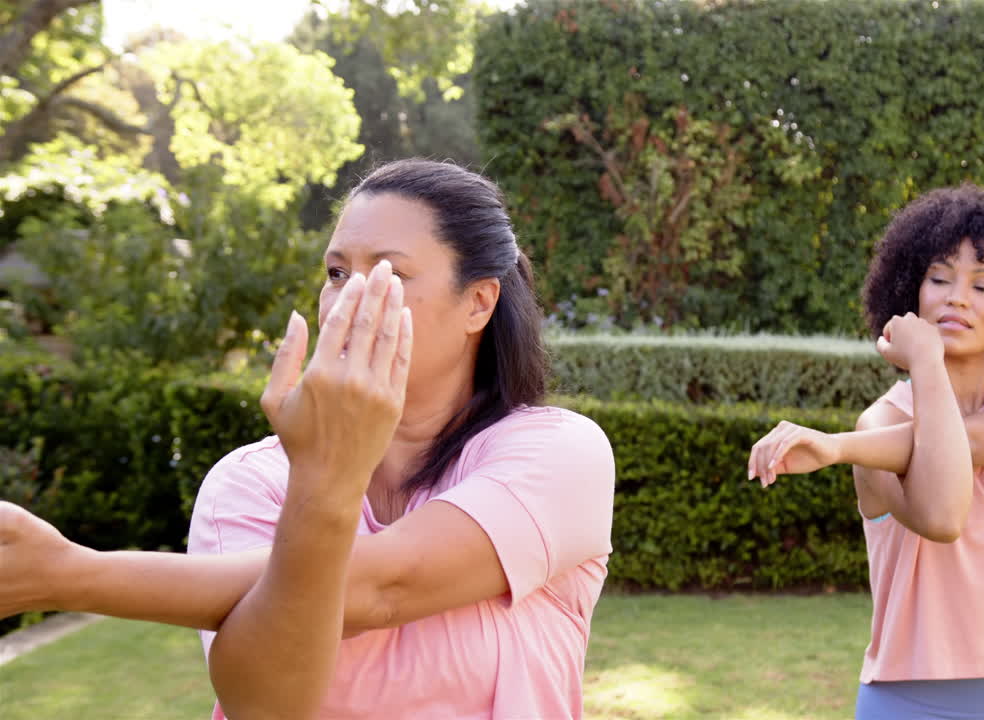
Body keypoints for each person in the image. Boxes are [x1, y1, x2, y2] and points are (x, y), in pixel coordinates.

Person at [0, 159, 616, 720]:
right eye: (336, 271)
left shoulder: (559, 454)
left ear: (478, 303)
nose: (348, 297)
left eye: (388, 274)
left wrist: (75, 575)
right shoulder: (248, 482)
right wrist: (324, 477)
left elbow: (382, 587)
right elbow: (265, 704)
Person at [748, 184, 984, 719]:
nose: (957, 297)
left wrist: (836, 447)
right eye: (939, 278)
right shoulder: (878, 422)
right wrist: (924, 367)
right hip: (904, 703)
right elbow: (943, 514)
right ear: (912, 294)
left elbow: (965, 442)